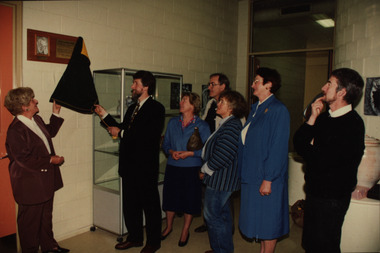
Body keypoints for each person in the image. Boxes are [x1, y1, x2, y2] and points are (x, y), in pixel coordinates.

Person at [293, 68, 365, 253]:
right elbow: (298, 144)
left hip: (332, 198)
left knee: (326, 246)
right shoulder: (323, 118)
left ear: (342, 92)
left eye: (329, 83)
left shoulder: (353, 124)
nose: (323, 87)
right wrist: (312, 118)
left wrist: (311, 150)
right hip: (315, 193)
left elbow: (323, 160)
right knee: (310, 244)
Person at [94, 70, 165, 253]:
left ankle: (153, 242)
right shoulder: (133, 108)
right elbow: (123, 128)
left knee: (150, 207)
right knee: (131, 205)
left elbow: (147, 137)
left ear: (146, 87)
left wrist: (122, 133)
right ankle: (134, 238)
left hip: (145, 168)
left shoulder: (156, 109)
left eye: (135, 83)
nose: (132, 87)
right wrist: (103, 114)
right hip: (129, 166)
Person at [4, 87, 68, 253]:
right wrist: (50, 159)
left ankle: (49, 247)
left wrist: (56, 113)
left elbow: (49, 132)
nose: (36, 101)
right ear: (24, 107)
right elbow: (23, 159)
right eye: (32, 99)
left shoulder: (36, 119)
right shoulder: (15, 130)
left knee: (46, 217)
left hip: (45, 180)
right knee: (29, 224)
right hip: (30, 184)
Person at [238, 67, 290, 253]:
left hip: (267, 178)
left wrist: (268, 179)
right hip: (252, 175)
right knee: (259, 221)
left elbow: (278, 149)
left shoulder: (278, 110)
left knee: (269, 223)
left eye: (257, 81)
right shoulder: (255, 109)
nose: (252, 84)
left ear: (268, 85)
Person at [200, 90, 248, 253]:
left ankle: (221, 250)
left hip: (221, 180)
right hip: (221, 178)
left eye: (222, 102)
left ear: (232, 107)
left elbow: (223, 154)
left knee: (213, 217)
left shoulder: (232, 125)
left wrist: (205, 168)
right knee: (223, 217)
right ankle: (221, 249)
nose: (217, 104)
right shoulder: (227, 122)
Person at [160, 92, 210, 247]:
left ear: (193, 106)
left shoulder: (202, 125)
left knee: (190, 199)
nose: (180, 102)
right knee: (170, 198)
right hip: (173, 167)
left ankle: (185, 230)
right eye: (181, 99)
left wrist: (190, 153)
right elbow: (165, 143)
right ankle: (168, 226)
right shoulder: (173, 122)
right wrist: (171, 152)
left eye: (185, 100)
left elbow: (207, 150)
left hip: (191, 168)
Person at [195, 73, 230, 233]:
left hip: (222, 155)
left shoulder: (231, 104)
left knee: (223, 197)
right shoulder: (210, 103)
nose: (209, 87)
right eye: (209, 84)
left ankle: (225, 230)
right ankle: (208, 222)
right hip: (209, 154)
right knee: (207, 192)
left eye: (213, 84)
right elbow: (202, 123)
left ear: (223, 86)